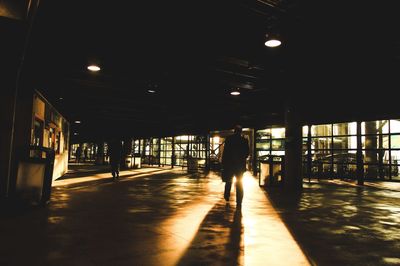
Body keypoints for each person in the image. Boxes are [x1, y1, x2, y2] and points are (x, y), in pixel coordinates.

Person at [221, 125, 249, 208]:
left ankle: (227, 195)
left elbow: (225, 153)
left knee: (228, 181)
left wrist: (223, 164)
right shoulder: (244, 140)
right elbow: (247, 153)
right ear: (240, 131)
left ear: (234, 131)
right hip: (239, 166)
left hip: (229, 165)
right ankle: (239, 202)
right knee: (239, 183)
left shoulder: (229, 139)